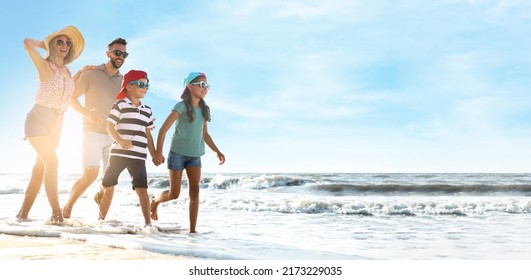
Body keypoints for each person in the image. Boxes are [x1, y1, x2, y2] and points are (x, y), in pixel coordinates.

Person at [17, 26, 85, 223]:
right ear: (53, 45)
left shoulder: (67, 70)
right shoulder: (44, 66)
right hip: (38, 119)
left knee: (40, 168)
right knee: (53, 163)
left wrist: (81, 72)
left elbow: (67, 91)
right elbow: (27, 43)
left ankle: (22, 215)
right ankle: (57, 214)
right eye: (60, 42)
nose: (64, 45)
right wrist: (45, 44)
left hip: (58, 123)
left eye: (68, 43)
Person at [62, 38, 129, 218]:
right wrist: (87, 114)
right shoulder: (91, 73)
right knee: (90, 175)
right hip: (92, 131)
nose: (120, 56)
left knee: (110, 180)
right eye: (117, 53)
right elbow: (71, 98)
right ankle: (67, 209)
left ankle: (101, 223)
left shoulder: (124, 81)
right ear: (108, 54)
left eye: (124, 54)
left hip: (114, 135)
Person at [151, 72, 225, 233]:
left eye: (207, 86)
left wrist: (216, 151)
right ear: (190, 86)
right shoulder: (181, 106)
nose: (205, 88)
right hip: (177, 154)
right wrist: (158, 152)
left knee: (195, 192)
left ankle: (192, 231)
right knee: (174, 193)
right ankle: (155, 201)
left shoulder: (205, 109)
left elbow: (205, 134)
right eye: (202, 85)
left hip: (195, 156)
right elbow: (163, 130)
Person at [96, 70, 156, 227]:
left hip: (139, 156)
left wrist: (155, 153)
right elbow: (109, 126)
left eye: (147, 85)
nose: (145, 87)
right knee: (109, 185)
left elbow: (148, 134)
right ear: (129, 86)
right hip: (119, 154)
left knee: (142, 189)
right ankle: (100, 221)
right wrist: (121, 141)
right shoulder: (120, 105)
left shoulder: (148, 110)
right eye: (141, 84)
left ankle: (148, 225)